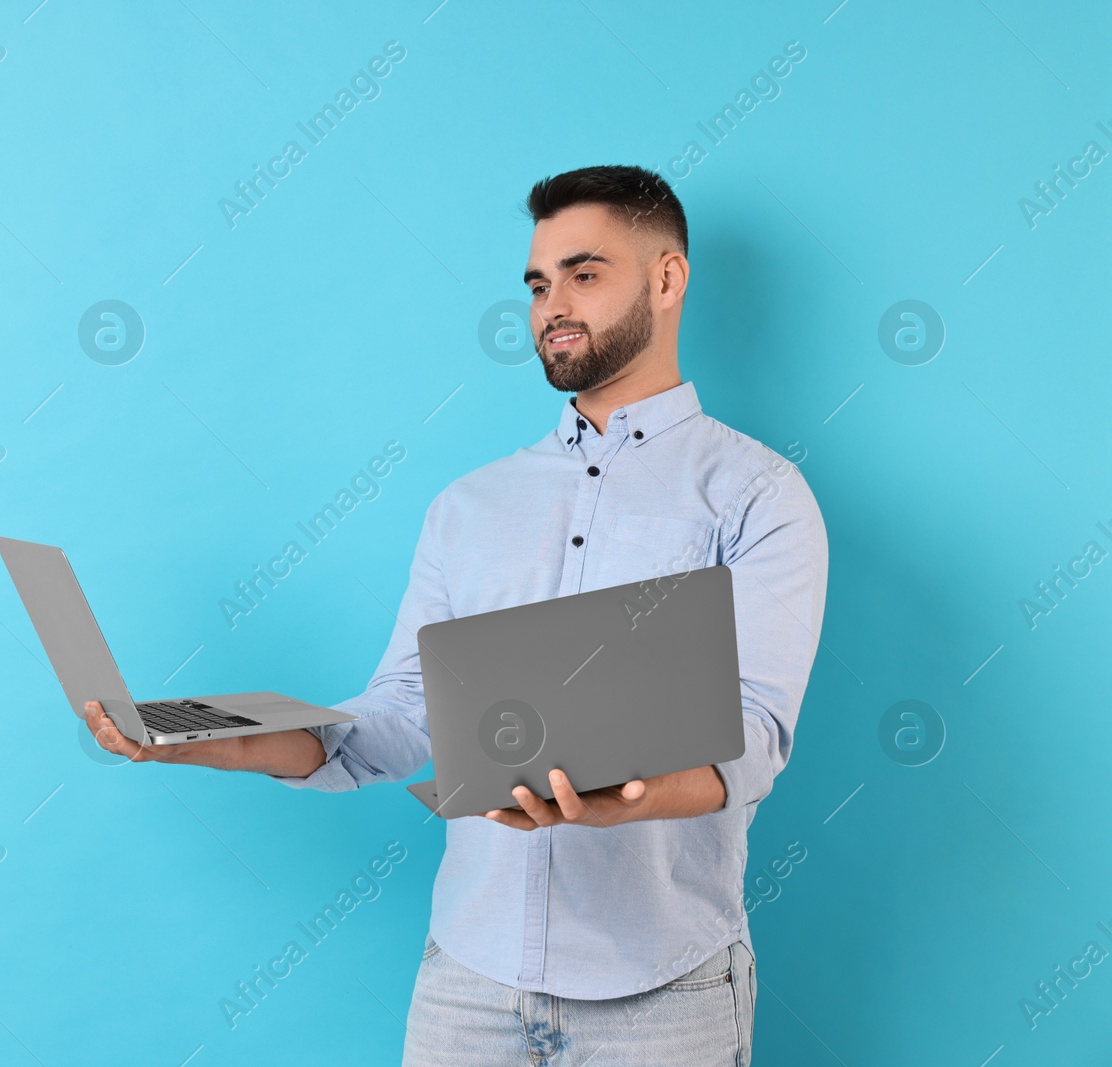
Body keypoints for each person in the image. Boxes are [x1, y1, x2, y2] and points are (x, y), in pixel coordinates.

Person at [84, 164, 827, 1066]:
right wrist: (216, 734)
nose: (553, 304)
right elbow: (397, 724)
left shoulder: (758, 496)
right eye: (539, 283)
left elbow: (754, 733)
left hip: (663, 992)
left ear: (668, 279)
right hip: (469, 984)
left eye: (585, 274)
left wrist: (621, 799)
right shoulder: (470, 506)